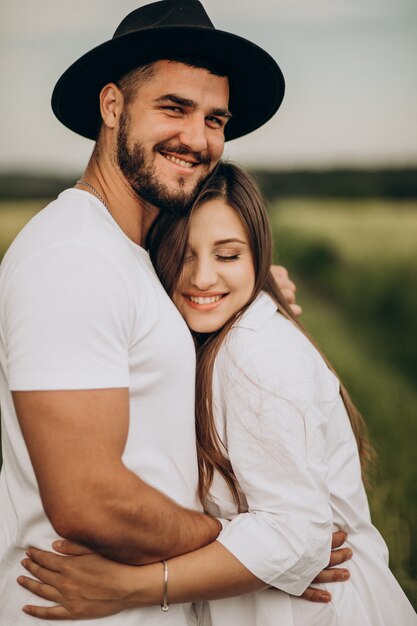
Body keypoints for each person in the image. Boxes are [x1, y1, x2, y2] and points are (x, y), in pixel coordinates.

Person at [0, 2, 347, 625]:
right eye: (174, 108)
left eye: (215, 118)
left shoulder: (129, 255)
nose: (198, 138)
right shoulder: (75, 254)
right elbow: (90, 501)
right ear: (112, 108)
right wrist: (267, 547)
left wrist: (257, 285)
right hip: (83, 612)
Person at [18, 163, 417, 625]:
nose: (203, 278)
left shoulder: (254, 353)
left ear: (258, 258)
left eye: (227, 256)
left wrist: (132, 588)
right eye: (184, 255)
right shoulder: (211, 337)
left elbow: (297, 537)